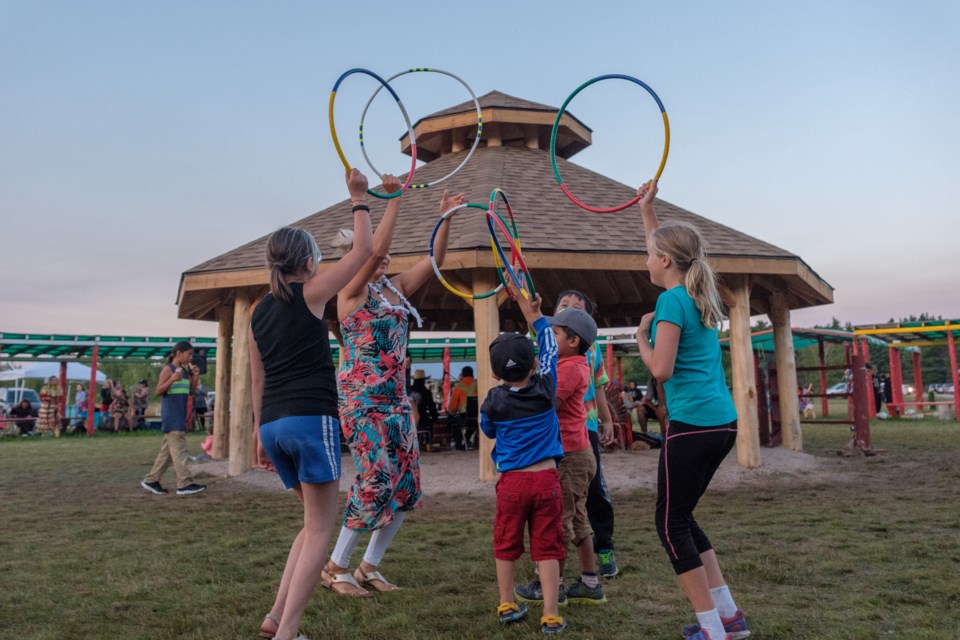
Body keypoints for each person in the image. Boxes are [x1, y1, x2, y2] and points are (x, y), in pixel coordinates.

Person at [248, 168, 375, 640]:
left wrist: (259, 436)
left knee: (310, 525)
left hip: (275, 427)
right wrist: (358, 198)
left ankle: (276, 617)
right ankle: (290, 633)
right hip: (309, 419)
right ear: (306, 264)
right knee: (322, 530)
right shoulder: (310, 294)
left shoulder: (257, 311)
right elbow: (364, 252)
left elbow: (257, 378)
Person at [324, 179, 464, 596]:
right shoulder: (349, 292)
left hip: (395, 401)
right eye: (370, 253)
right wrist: (393, 198)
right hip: (361, 401)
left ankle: (369, 566)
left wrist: (445, 217)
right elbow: (372, 252)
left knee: (406, 486)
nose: (383, 256)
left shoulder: (395, 290)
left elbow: (435, 260)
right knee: (375, 479)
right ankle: (335, 567)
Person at [635, 179, 748, 640]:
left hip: (694, 425)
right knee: (682, 516)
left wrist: (640, 338)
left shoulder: (669, 300)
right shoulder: (698, 295)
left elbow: (660, 370)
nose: (644, 258)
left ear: (665, 261)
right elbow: (661, 247)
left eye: (649, 253)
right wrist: (647, 210)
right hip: (721, 423)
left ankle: (711, 630)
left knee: (669, 523)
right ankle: (728, 618)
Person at [480, 280, 566, 634]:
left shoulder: (493, 400)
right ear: (533, 367)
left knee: (506, 543)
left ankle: (506, 604)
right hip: (547, 480)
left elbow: (487, 430)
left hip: (512, 483)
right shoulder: (546, 389)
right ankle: (550, 614)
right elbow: (550, 350)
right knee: (547, 548)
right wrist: (536, 317)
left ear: (496, 373)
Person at [517, 306, 606, 609]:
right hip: (577, 455)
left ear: (573, 341)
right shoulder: (571, 362)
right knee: (579, 521)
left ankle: (550, 586)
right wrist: (531, 312)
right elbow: (542, 341)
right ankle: (591, 583)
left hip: (569, 459)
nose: (548, 339)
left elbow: (546, 404)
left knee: (558, 524)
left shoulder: (569, 368)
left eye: (555, 333)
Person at [552, 289, 620, 578]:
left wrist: (606, 419)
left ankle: (603, 548)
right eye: (563, 305)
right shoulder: (546, 342)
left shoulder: (591, 351)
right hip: (556, 428)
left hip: (585, 425)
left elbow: (600, 384)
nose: (569, 309)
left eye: (577, 308)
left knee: (594, 490)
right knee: (562, 493)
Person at [141, 341, 206, 497]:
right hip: (172, 416)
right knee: (180, 452)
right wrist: (171, 379)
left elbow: (191, 392)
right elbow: (158, 391)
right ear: (178, 353)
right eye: (189, 354)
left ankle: (151, 480)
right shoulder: (167, 369)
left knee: (168, 453)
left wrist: (195, 375)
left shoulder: (184, 372)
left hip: (179, 415)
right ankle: (184, 483)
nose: (191, 357)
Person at [448, 365, 479, 450]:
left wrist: (451, 411)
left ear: (462, 375)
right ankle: (467, 439)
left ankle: (459, 445)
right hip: (479, 417)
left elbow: (453, 408)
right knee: (472, 423)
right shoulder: (479, 384)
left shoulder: (458, 386)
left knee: (453, 423)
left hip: (464, 416)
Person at [410, 369, 438, 440]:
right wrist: (435, 418)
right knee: (429, 423)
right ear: (423, 380)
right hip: (423, 419)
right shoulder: (426, 392)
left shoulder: (409, 390)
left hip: (409, 419)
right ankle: (428, 443)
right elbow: (432, 407)